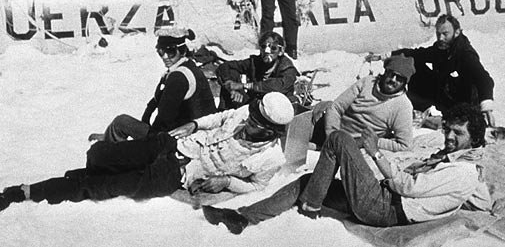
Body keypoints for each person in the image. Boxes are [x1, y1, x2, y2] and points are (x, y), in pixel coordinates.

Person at [201, 103, 492, 234]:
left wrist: (376, 153)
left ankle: (313, 203)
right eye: (449, 130)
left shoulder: (464, 171)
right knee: (309, 180)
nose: (450, 137)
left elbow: (409, 187)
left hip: (387, 209)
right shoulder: (456, 161)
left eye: (458, 134)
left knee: (338, 139)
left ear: (474, 139)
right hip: (383, 198)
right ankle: (242, 218)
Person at [0, 92, 294, 212]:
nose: (246, 123)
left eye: (254, 125)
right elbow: (220, 117)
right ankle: (77, 179)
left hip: (176, 174)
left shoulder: (271, 158)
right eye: (250, 116)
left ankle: (23, 192)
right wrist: (193, 124)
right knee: (99, 156)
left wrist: (227, 182)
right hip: (170, 145)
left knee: (101, 186)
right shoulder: (248, 112)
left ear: (270, 131)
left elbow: (257, 185)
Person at [88, 27, 217, 143]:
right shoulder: (187, 66)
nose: (165, 56)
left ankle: (109, 142)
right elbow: (157, 99)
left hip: (180, 138)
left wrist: (148, 139)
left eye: (171, 51)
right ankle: (110, 138)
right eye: (161, 52)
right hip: (195, 132)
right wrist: (146, 117)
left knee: (121, 122)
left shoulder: (178, 77)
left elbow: (164, 119)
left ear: (182, 50)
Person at [366, 14, 496, 127]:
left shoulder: (465, 54)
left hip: (461, 102)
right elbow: (416, 53)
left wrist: (486, 109)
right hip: (444, 94)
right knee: (414, 60)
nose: (440, 38)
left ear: (457, 33)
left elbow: (485, 79)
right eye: (438, 34)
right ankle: (419, 108)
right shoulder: (441, 48)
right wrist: (385, 55)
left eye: (445, 34)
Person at [311, 55, 416, 152]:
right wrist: (332, 136)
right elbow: (336, 108)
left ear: (404, 83)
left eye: (399, 78)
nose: (393, 80)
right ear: (385, 72)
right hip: (330, 133)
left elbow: (405, 145)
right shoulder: (367, 83)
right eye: (391, 74)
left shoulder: (403, 106)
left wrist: (369, 142)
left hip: (353, 146)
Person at [216, 31, 299, 110]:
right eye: (263, 47)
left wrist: (244, 85)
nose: (267, 52)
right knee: (232, 73)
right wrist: (231, 87)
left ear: (280, 52)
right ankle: (224, 113)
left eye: (273, 48)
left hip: (276, 107)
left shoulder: (287, 67)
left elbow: (279, 85)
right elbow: (225, 66)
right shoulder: (255, 62)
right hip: (255, 103)